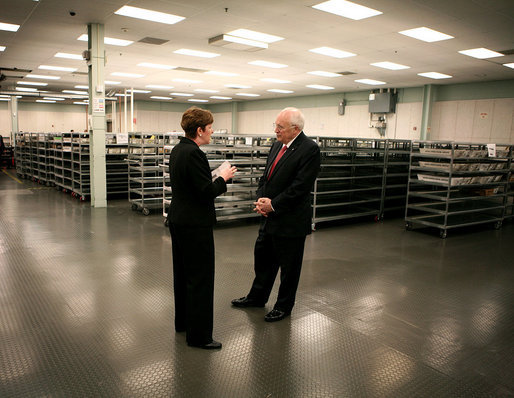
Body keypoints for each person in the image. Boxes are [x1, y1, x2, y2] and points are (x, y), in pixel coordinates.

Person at [231, 107, 321, 322]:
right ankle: (257, 297)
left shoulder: (309, 149)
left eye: (280, 127)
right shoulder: (276, 145)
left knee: (289, 268)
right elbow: (266, 177)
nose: (276, 130)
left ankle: (283, 306)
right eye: (276, 125)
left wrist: (274, 205)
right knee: (263, 260)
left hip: (290, 221)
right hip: (269, 217)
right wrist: (262, 200)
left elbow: (300, 187)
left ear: (295, 129)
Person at [168, 107, 236, 349]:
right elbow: (206, 192)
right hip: (194, 224)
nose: (212, 131)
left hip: (178, 220)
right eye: (210, 128)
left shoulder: (178, 150)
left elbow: (191, 184)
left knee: (183, 275)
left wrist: (210, 177)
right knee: (200, 279)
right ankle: (199, 336)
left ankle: (183, 323)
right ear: (199, 130)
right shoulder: (195, 154)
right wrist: (223, 178)